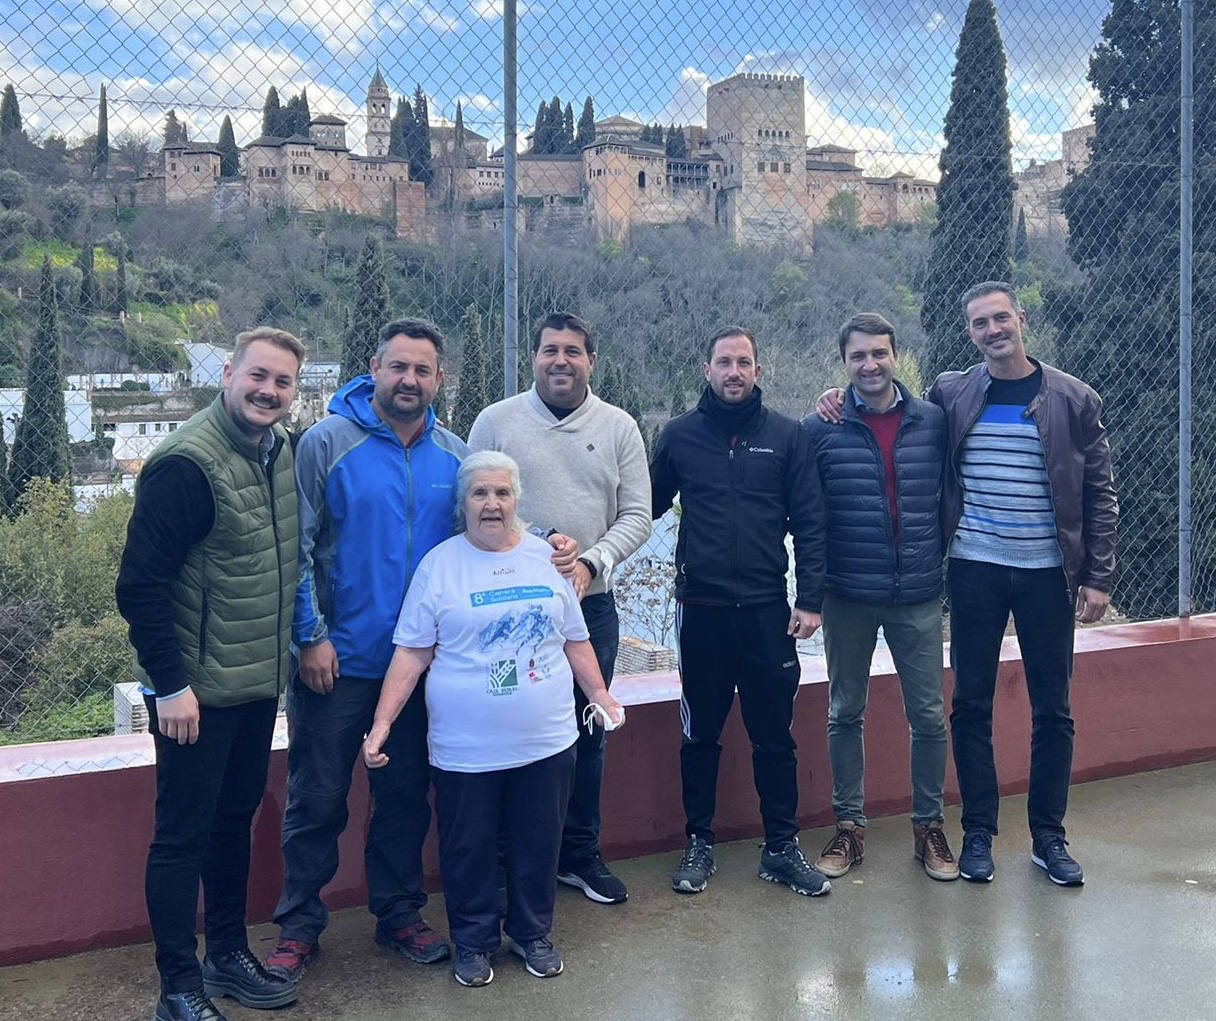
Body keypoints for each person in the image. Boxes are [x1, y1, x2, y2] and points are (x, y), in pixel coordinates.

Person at [817, 282, 1117, 886]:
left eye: (1000, 318)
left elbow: (1099, 493)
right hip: (973, 569)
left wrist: (1098, 576)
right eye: (979, 324)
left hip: (1047, 576)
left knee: (1053, 709)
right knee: (969, 706)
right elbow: (883, 410)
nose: (992, 330)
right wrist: (836, 400)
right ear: (969, 333)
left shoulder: (1073, 398)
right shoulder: (953, 394)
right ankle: (978, 832)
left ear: (1021, 319)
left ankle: (1048, 837)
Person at [363, 451, 625, 988]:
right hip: (466, 748)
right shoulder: (440, 565)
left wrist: (600, 693)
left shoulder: (546, 561)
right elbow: (412, 653)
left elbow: (575, 638)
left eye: (502, 493)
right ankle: (474, 941)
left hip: (548, 740)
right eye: (479, 493)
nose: (491, 503)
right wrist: (382, 724)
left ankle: (533, 934)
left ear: (516, 501)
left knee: (537, 843)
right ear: (463, 503)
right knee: (468, 847)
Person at [264, 319, 463, 982]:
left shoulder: (455, 457)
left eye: (423, 370)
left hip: (416, 671)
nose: (409, 380)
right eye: (397, 366)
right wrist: (310, 636)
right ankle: (298, 924)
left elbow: (478, 551)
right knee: (317, 796)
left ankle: (399, 913)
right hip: (337, 662)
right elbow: (294, 545)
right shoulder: (325, 443)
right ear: (373, 366)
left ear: (439, 378)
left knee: (405, 795)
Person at [116, 328, 305, 1021]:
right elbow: (139, 585)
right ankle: (178, 985)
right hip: (193, 693)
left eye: (282, 382)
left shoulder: (277, 448)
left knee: (234, 822)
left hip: (256, 682)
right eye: (258, 375)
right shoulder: (187, 465)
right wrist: (169, 683)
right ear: (228, 373)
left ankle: (226, 952)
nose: (268, 391)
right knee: (182, 835)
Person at [468, 311, 651, 905]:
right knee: (504, 730)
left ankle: (578, 854)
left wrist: (590, 562)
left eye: (573, 351)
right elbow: (475, 506)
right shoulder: (495, 422)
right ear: (534, 358)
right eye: (550, 350)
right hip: (507, 617)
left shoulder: (620, 427)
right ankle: (502, 863)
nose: (561, 361)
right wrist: (540, 544)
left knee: (586, 733)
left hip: (589, 611)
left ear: (591, 360)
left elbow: (638, 517)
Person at [650, 325, 829, 897]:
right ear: (706, 369)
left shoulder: (787, 436)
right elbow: (641, 507)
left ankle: (781, 847)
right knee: (699, 733)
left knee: (774, 735)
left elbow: (811, 521)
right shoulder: (678, 436)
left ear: (757, 370)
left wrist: (811, 599)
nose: (733, 372)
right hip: (699, 610)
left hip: (766, 611)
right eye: (723, 361)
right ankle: (698, 841)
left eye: (743, 362)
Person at [801, 313, 958, 883]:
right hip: (848, 596)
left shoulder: (934, 422)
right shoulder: (821, 427)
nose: (870, 364)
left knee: (929, 717)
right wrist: (810, 595)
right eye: (858, 356)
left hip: (917, 593)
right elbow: (809, 520)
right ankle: (850, 829)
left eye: (879, 354)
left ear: (896, 356)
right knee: (845, 712)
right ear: (844, 362)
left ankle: (928, 830)